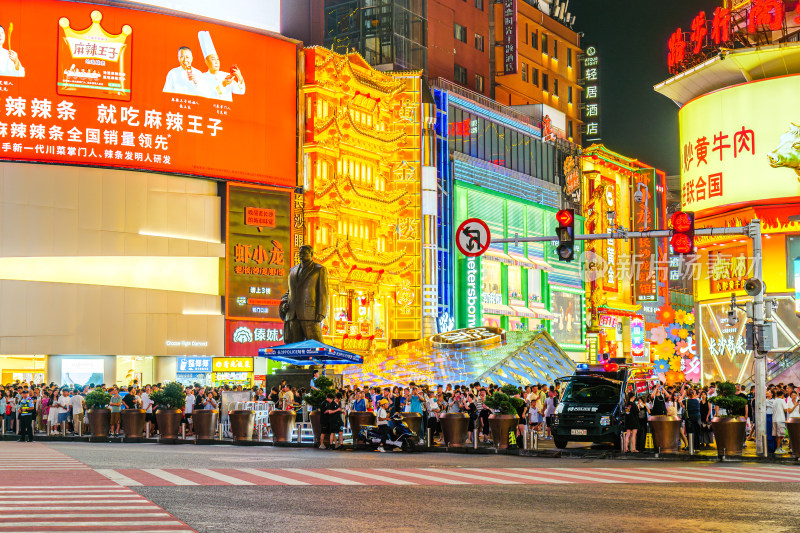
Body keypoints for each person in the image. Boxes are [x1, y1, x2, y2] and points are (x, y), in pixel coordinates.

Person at [197, 30, 245, 101]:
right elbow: (209, 97)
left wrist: (240, 77)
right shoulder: (202, 77)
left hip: (226, 110)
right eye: (213, 59)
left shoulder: (226, 76)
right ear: (206, 62)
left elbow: (241, 91)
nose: (216, 62)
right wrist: (223, 85)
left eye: (218, 59)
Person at [773, 388, 788, 455]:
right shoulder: (782, 401)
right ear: (782, 395)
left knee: (777, 435)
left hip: (774, 419)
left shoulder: (774, 401)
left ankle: (778, 448)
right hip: (780, 419)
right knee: (780, 435)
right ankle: (778, 448)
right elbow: (785, 410)